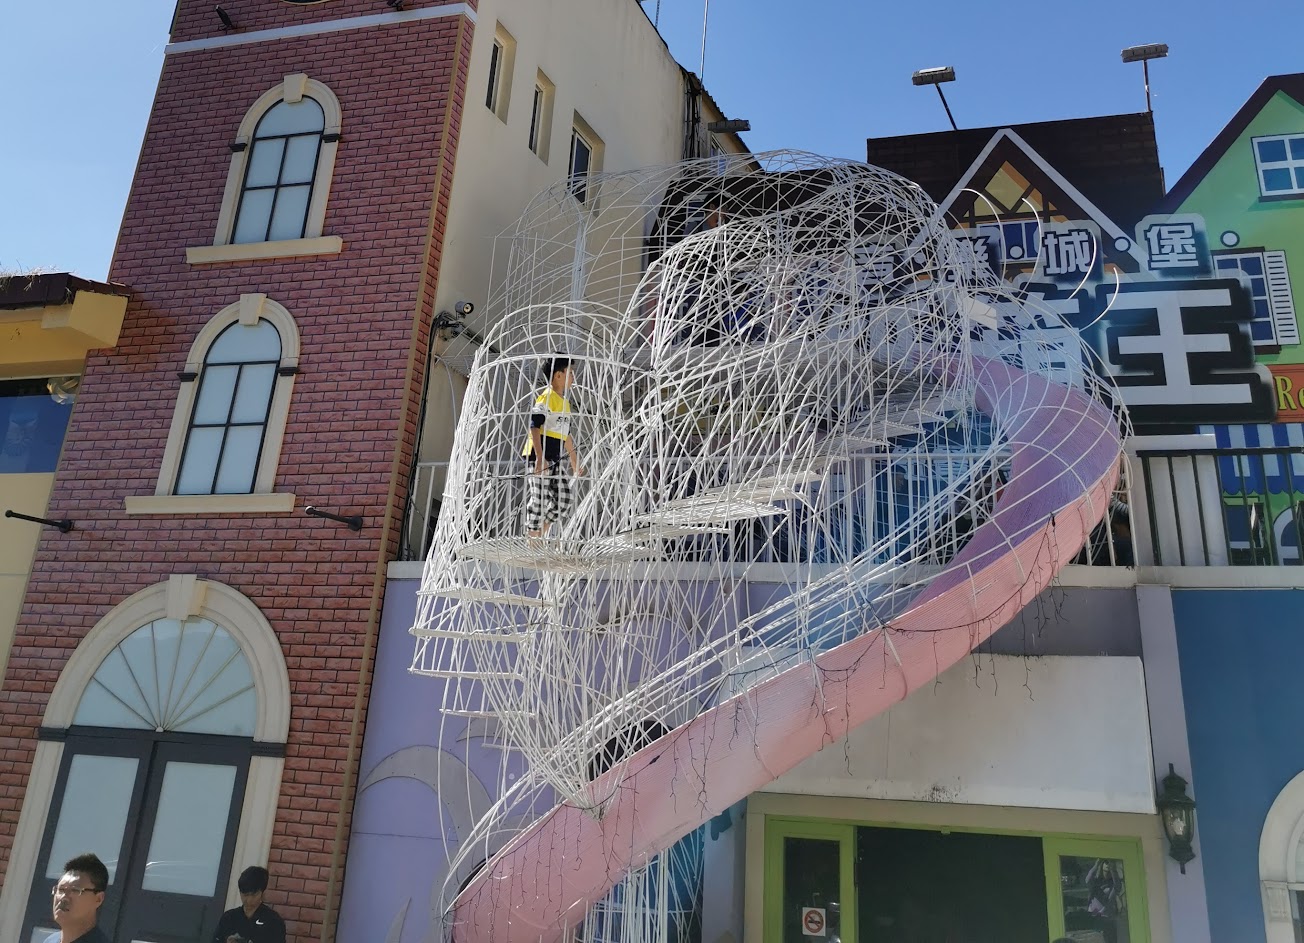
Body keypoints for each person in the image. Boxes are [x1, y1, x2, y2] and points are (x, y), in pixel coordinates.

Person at [523, 357, 584, 537]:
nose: (573, 377)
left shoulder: (565, 403)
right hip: (539, 457)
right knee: (539, 499)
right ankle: (533, 536)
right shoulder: (546, 397)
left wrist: (574, 461)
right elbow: (534, 426)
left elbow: (566, 435)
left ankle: (541, 531)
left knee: (564, 499)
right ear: (558, 375)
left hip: (553, 459)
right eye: (570, 373)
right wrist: (539, 458)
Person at [46, 853, 111, 943]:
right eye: (61, 890)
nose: (64, 898)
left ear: (98, 899)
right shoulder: (50, 940)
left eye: (75, 890)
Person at [211, 866, 285, 943]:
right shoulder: (229, 918)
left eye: (254, 895)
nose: (249, 900)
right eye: (245, 895)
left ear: (263, 892)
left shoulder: (274, 921)